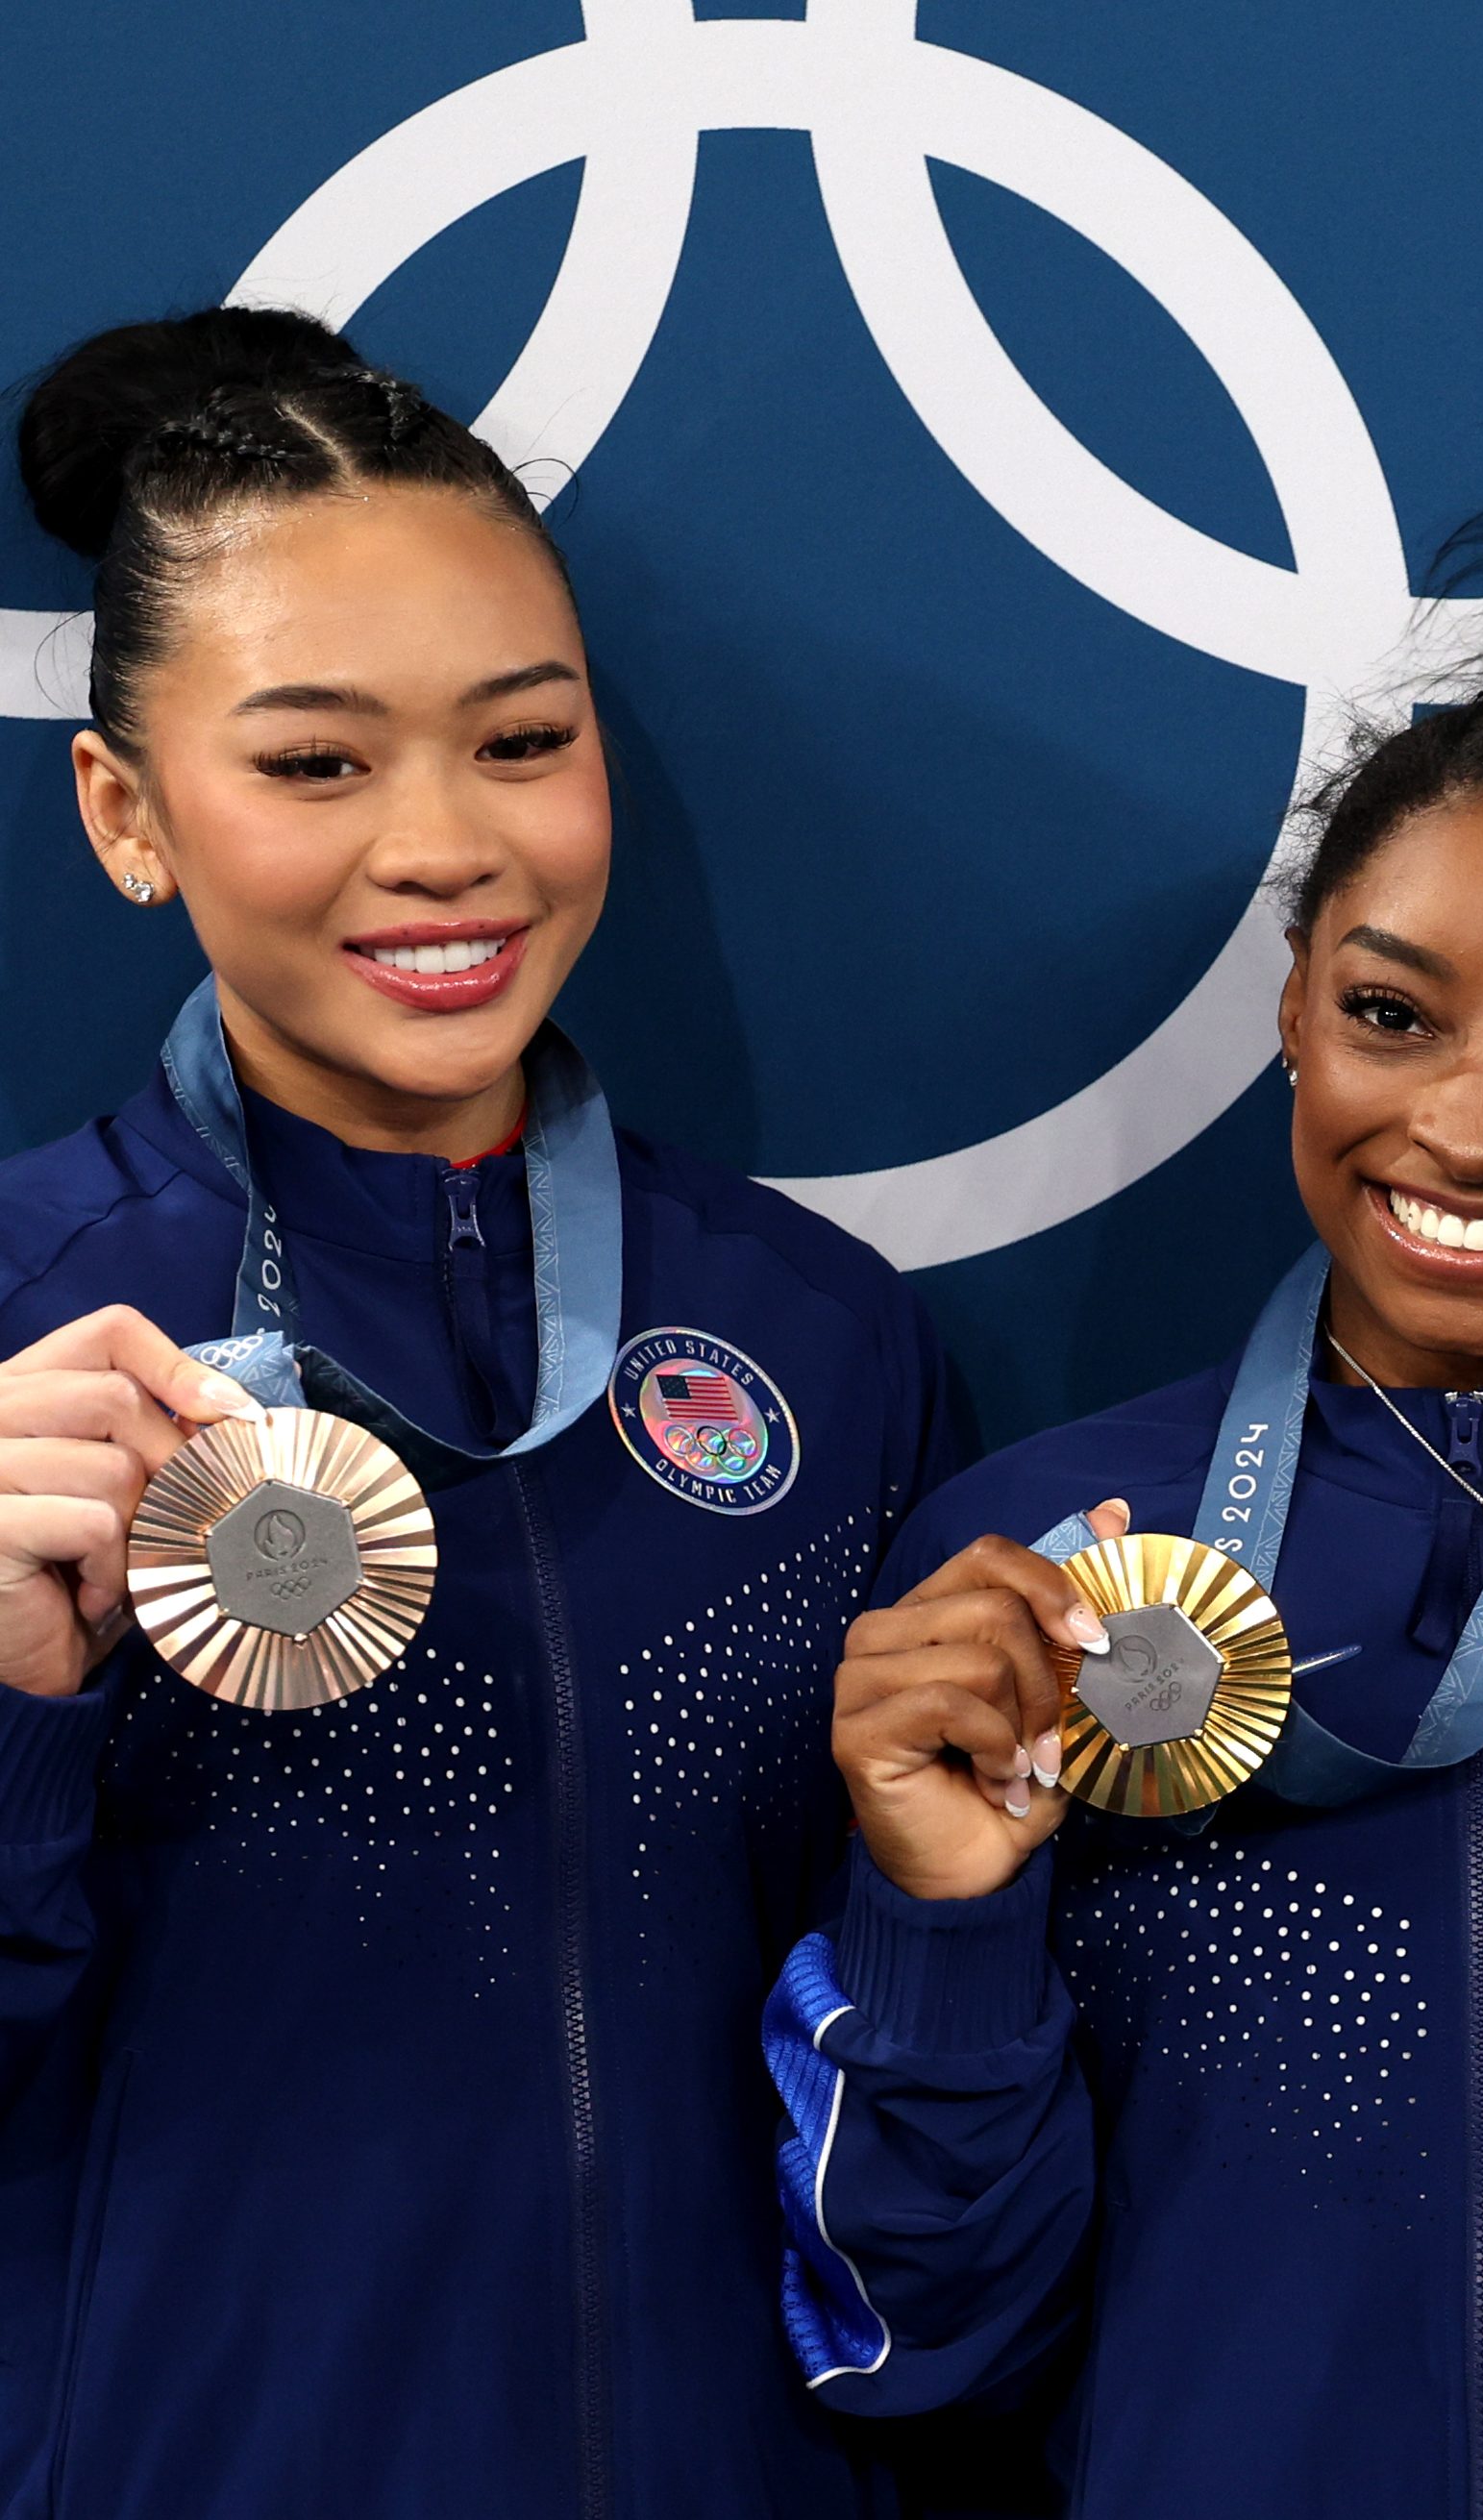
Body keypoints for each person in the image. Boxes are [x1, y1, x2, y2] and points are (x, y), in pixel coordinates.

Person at [766, 486, 1483, 2520]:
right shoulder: (1030, 1568)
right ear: (1294, 1007)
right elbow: (925, 2346)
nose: (1470, 1122)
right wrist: (945, 1916)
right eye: (1391, 1013)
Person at [0, 307, 971, 2520]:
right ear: (128, 816)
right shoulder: (25, 1340)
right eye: (316, 765)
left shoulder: (821, 1343)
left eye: (521, 740)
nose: (444, 845)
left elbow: (916, 2071)